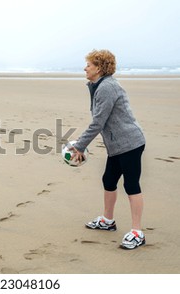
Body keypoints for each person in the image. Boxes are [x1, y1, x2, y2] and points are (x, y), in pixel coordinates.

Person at [71, 49, 146, 250]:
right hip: (117, 145)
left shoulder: (107, 87)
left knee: (131, 185)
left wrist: (79, 146)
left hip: (130, 143)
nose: (85, 68)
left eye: (88, 65)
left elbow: (98, 122)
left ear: (99, 68)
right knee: (109, 180)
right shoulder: (98, 85)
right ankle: (108, 220)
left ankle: (137, 232)